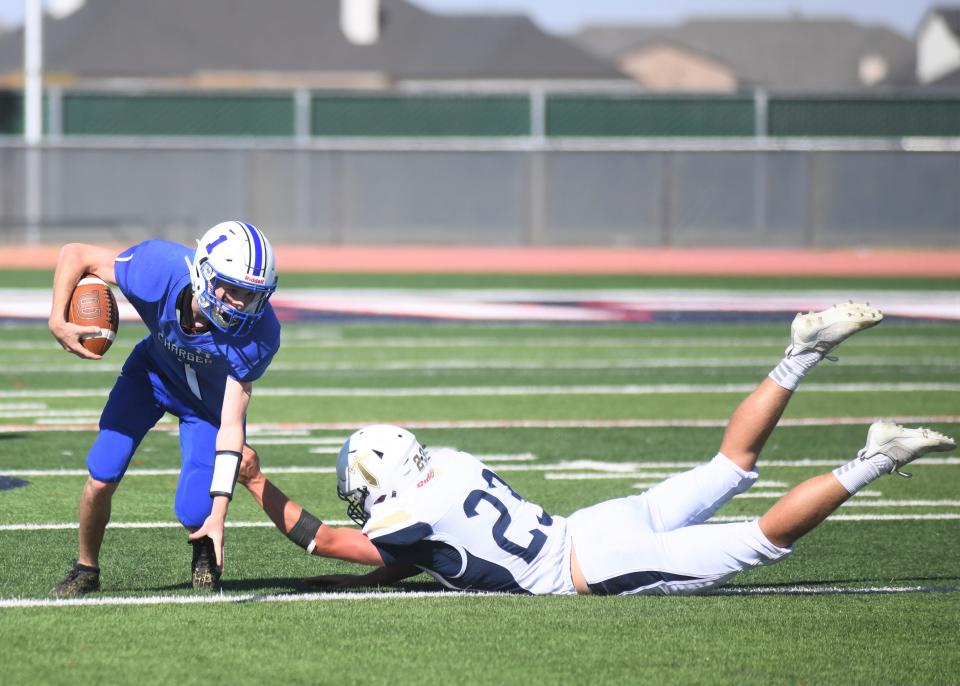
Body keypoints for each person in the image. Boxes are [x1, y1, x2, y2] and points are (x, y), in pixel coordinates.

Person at [238, 302, 955, 595]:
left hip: (588, 563)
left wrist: (258, 482)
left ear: (379, 479)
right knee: (728, 468)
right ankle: (796, 357)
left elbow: (331, 540)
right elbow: (410, 562)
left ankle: (874, 458)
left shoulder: (400, 520)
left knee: (760, 542)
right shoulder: (450, 464)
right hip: (594, 522)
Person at [48, 221, 281, 595]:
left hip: (207, 405)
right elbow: (75, 254)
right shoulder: (158, 269)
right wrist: (57, 319)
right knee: (101, 473)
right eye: (234, 289)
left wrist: (219, 514)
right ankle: (85, 567)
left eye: (252, 295)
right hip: (152, 375)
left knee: (194, 510)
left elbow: (232, 426)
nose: (242, 304)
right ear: (204, 273)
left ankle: (204, 544)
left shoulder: (259, 333)